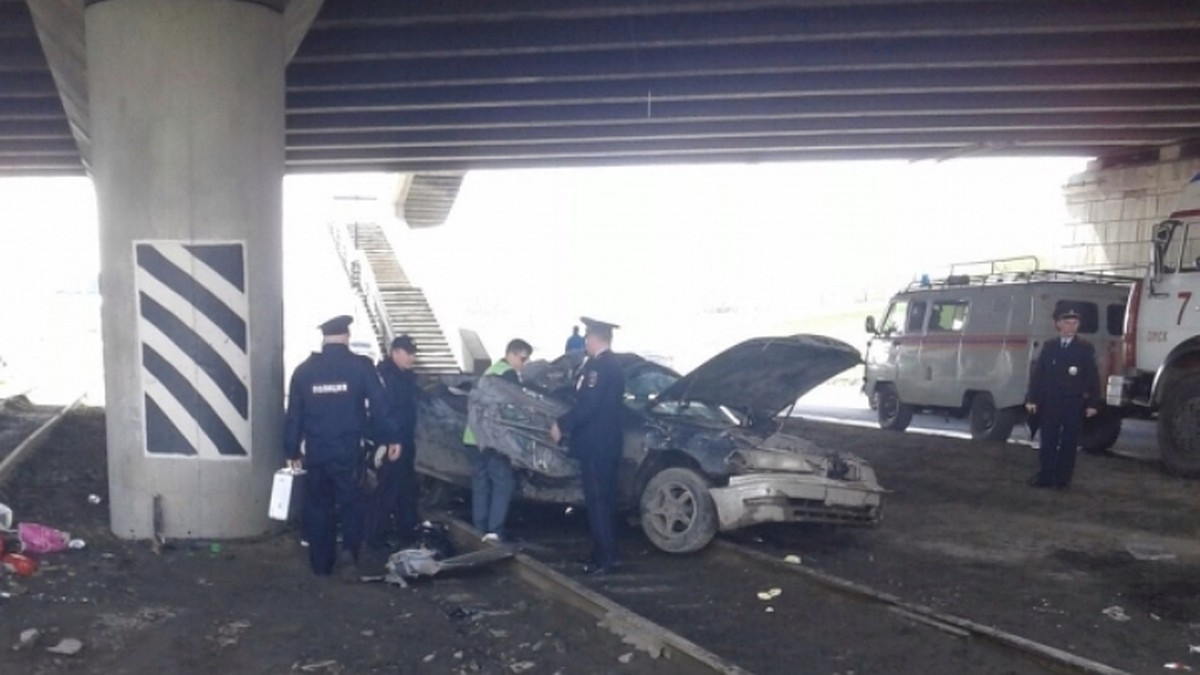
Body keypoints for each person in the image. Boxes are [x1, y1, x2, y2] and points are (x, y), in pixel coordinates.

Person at [283, 315, 399, 579]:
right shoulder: (360, 367)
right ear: (346, 337)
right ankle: (349, 554)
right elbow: (380, 405)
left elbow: (294, 415)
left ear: (323, 338)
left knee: (318, 506)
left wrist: (291, 451)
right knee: (351, 503)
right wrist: (392, 438)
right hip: (348, 451)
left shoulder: (304, 371)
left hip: (316, 452)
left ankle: (321, 564)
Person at [550, 317, 625, 574]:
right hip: (605, 444)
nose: (585, 341)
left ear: (596, 339)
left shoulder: (600, 368)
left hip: (597, 445)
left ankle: (607, 558)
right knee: (601, 501)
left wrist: (562, 424)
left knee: (599, 503)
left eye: (587, 337)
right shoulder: (608, 365)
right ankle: (600, 553)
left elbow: (589, 406)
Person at [463, 338, 533, 542]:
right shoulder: (508, 374)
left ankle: (480, 527)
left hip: (472, 437)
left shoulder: (492, 370)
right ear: (511, 354)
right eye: (523, 359)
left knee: (481, 482)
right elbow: (513, 408)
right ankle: (494, 530)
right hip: (491, 440)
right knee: (503, 482)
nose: (524, 364)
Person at [1025, 306, 1100, 489]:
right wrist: (1032, 398)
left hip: (1073, 402)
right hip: (1051, 401)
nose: (1071, 327)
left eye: (1075, 323)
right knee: (1048, 439)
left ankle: (1062, 479)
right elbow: (1039, 374)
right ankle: (1045, 476)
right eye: (1067, 323)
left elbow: (1092, 377)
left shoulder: (1084, 348)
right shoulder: (1050, 346)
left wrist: (1092, 403)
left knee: (1069, 441)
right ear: (1058, 325)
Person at [368, 335, 422, 552]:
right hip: (392, 441)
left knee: (404, 489)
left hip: (404, 440)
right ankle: (375, 537)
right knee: (387, 490)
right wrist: (392, 440)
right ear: (396, 352)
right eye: (409, 354)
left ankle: (405, 531)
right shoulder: (385, 376)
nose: (412, 358)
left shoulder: (404, 376)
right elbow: (385, 412)